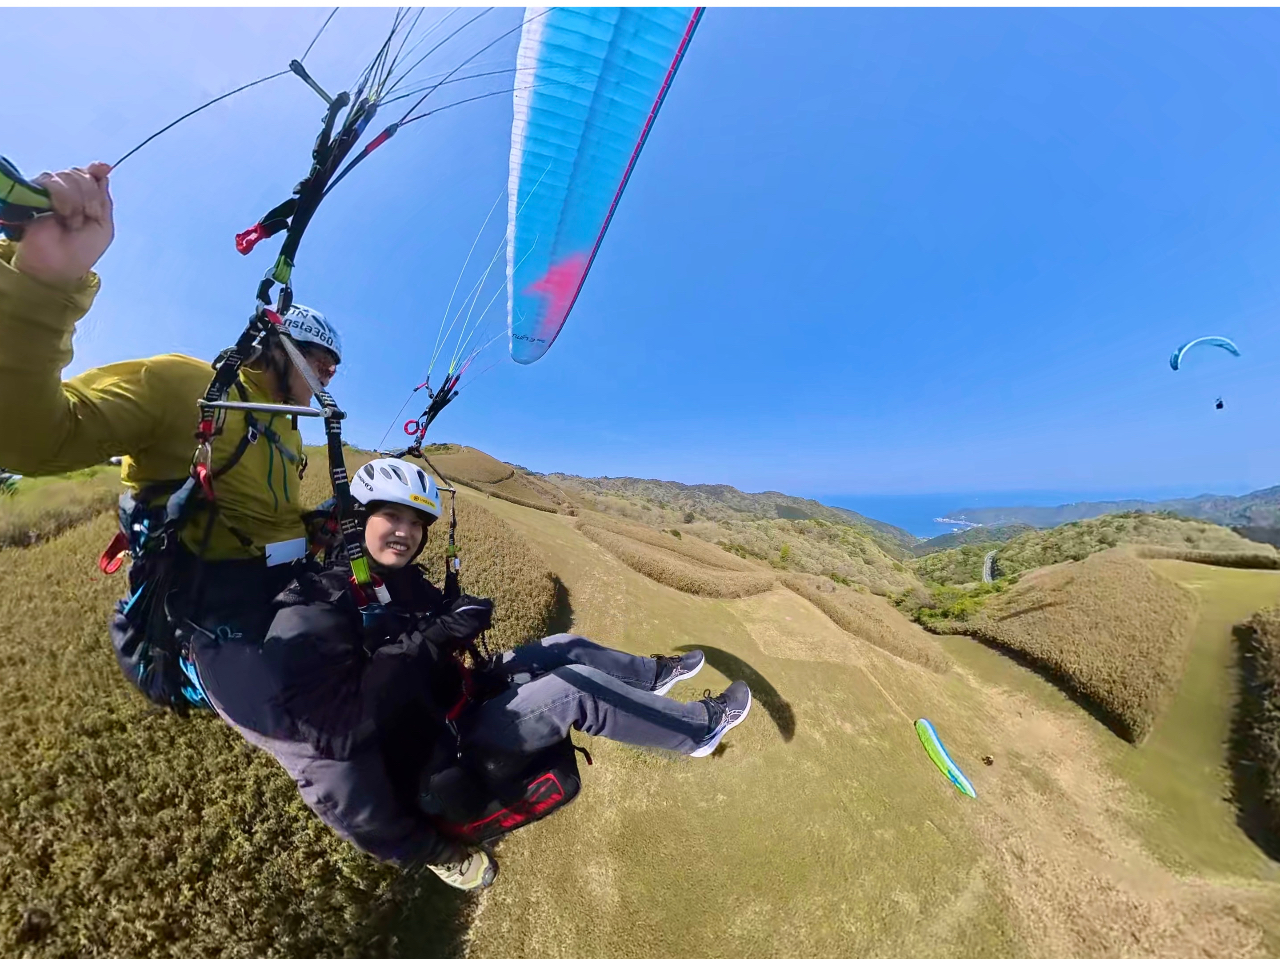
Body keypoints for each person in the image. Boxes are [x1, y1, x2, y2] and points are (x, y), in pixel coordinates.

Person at [261, 457, 752, 890]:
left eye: (415, 522)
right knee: (574, 690)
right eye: (391, 515)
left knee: (564, 646)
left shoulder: (394, 579)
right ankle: (699, 731)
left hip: (455, 701)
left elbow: (431, 617)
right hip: (443, 750)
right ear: (357, 520)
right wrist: (437, 636)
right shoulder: (325, 604)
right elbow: (359, 715)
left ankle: (650, 678)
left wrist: (461, 613)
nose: (404, 531)